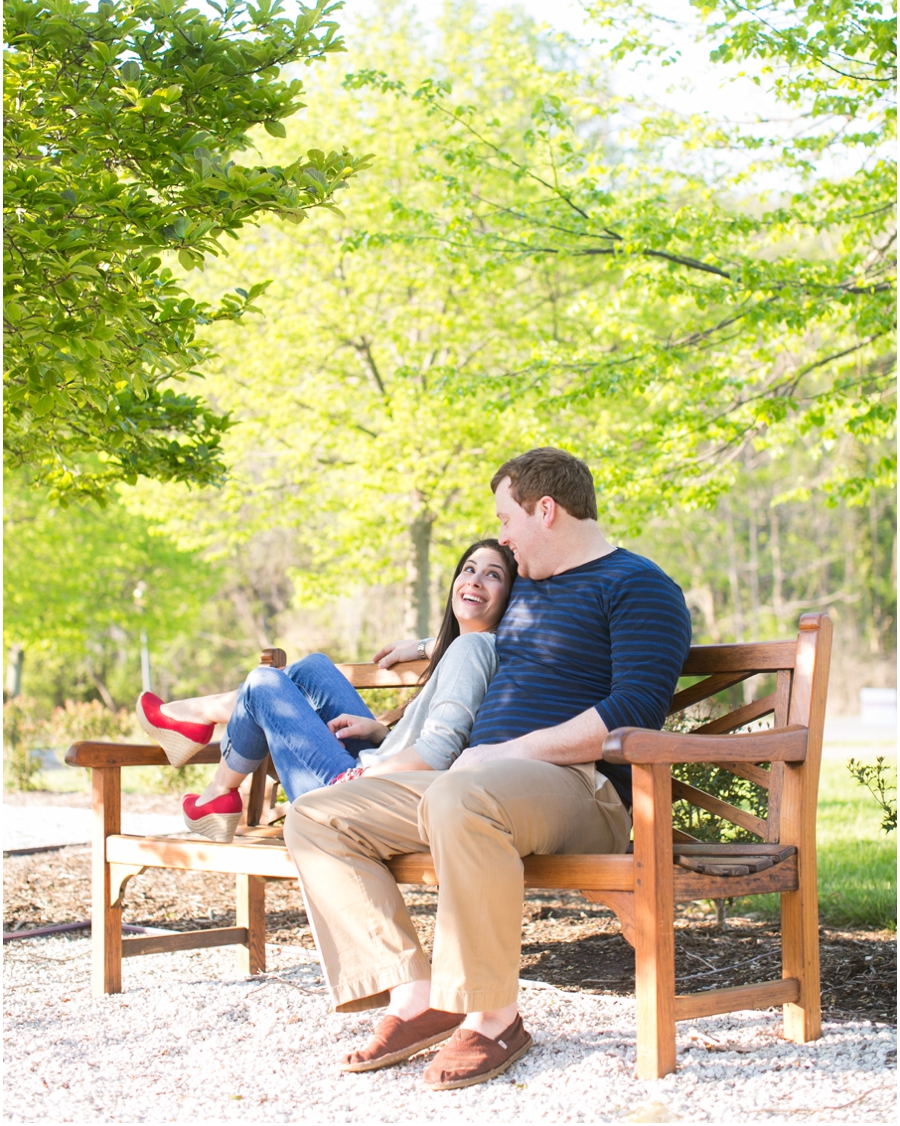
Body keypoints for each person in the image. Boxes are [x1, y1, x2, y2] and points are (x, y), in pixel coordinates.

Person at [284, 447, 693, 1092]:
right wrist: (423, 648)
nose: (500, 535)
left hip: (583, 793)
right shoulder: (527, 589)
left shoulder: (639, 586)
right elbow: (474, 625)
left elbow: (636, 709)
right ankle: (420, 995)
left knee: (462, 796)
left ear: (546, 510)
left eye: (506, 518)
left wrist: (509, 752)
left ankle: (494, 1015)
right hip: (477, 788)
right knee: (316, 816)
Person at [136, 539, 516, 843]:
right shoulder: (472, 647)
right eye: (469, 569)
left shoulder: (471, 650)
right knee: (313, 668)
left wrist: (363, 777)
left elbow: (440, 750)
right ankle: (199, 736)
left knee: (263, 683)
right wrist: (381, 730)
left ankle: (214, 778)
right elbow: (444, 727)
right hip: (382, 774)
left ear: (510, 598)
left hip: (359, 798)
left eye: (492, 575)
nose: (475, 580)